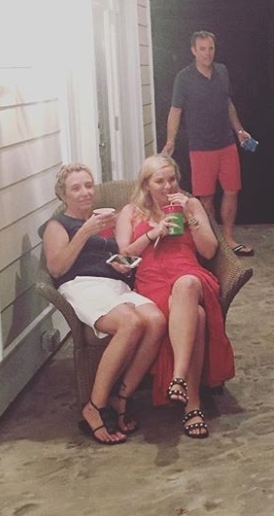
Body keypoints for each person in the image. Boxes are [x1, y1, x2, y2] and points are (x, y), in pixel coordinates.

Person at [41, 163, 166, 444]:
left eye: (88, 185)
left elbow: (115, 257)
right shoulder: (58, 225)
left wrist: (125, 263)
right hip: (82, 285)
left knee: (156, 320)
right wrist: (85, 231)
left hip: (116, 284)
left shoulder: (105, 223)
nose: (85, 192)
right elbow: (57, 268)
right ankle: (94, 406)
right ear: (63, 195)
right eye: (76, 188)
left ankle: (122, 397)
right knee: (130, 322)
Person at [115, 154, 236, 439]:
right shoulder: (131, 212)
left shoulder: (190, 204)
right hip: (152, 282)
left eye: (172, 179)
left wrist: (190, 217)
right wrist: (152, 234)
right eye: (160, 181)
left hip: (190, 274)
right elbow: (122, 260)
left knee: (186, 284)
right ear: (146, 185)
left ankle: (178, 377)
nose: (168, 186)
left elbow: (208, 251)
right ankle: (192, 406)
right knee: (197, 317)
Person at [161, 29, 255, 257]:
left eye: (210, 48)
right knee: (206, 197)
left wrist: (239, 131)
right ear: (193, 51)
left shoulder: (222, 71)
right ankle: (210, 242)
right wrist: (171, 140)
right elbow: (175, 111)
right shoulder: (184, 78)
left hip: (226, 143)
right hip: (201, 147)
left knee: (232, 190)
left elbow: (227, 104)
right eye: (202, 49)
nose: (207, 53)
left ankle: (228, 238)